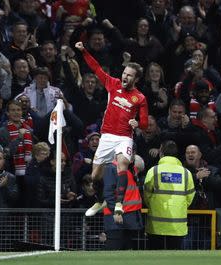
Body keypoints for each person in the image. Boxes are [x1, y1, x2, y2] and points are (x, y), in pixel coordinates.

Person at [74, 41, 149, 217]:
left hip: (124, 137)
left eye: (130, 75)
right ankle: (100, 201)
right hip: (107, 136)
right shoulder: (112, 84)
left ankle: (118, 204)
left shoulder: (140, 98)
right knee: (94, 176)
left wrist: (138, 124)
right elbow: (96, 68)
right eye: (124, 73)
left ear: (136, 79)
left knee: (122, 164)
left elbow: (144, 123)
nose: (125, 77)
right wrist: (84, 50)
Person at [143, 140, 195, 250]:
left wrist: (152, 205)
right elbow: (190, 197)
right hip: (178, 225)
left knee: (155, 258)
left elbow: (146, 195)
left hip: (156, 225)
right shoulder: (186, 173)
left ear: (161, 153)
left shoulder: (153, 171)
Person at [102, 155, 144, 250]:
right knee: (114, 253)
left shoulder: (129, 170)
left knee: (127, 254)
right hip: (117, 220)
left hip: (128, 219)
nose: (132, 156)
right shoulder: (112, 168)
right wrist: (115, 212)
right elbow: (109, 193)